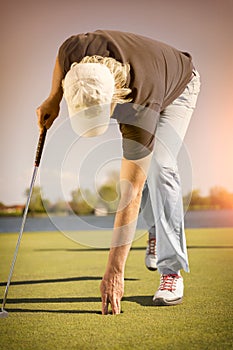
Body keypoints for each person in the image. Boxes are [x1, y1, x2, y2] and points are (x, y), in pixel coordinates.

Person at [37, 29, 201, 315]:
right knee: (147, 167)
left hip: (179, 86)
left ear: (114, 99)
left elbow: (131, 192)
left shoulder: (139, 106)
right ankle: (156, 229)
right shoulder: (72, 50)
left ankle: (171, 271)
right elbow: (60, 63)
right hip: (149, 74)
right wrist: (53, 98)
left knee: (160, 167)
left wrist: (114, 270)